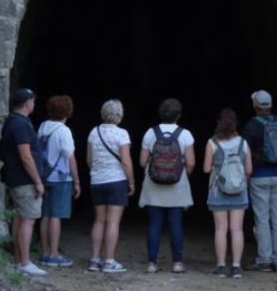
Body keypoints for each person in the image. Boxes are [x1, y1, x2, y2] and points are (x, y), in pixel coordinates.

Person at [138, 98, 196, 274]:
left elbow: (142, 161)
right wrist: (181, 175)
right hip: (177, 184)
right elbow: (191, 163)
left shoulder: (150, 133)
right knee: (175, 223)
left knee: (154, 223)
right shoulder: (185, 134)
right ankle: (177, 263)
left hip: (154, 183)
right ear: (179, 115)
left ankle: (152, 263)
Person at [242, 89, 277, 272]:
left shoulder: (251, 126)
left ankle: (264, 259)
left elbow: (245, 154)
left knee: (262, 219)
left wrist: (247, 176)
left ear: (255, 106)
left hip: (259, 176)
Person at [0, 87, 47, 276]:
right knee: (28, 220)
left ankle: (19, 261)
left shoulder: (11, 122)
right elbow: (26, 156)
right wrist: (38, 181)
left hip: (15, 177)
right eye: (33, 102)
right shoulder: (20, 125)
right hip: (24, 179)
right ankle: (25, 262)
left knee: (20, 218)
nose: (34, 105)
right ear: (28, 104)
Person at [86, 99, 134, 273]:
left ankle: (94, 259)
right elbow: (126, 162)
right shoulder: (122, 134)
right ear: (120, 115)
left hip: (97, 181)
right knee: (113, 222)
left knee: (99, 220)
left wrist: (97, 171)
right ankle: (109, 261)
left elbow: (89, 160)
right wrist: (132, 182)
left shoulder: (94, 132)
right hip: (116, 181)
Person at [203, 108, 252, 279]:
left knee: (220, 230)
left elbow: (206, 168)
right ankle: (237, 267)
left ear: (218, 123)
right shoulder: (243, 143)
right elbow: (249, 169)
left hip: (218, 191)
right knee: (237, 229)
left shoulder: (212, 143)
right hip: (239, 190)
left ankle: (221, 266)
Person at [37, 94, 80, 268]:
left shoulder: (43, 126)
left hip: (43, 176)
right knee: (56, 216)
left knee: (45, 215)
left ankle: (45, 252)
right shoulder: (63, 131)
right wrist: (77, 181)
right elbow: (70, 157)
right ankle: (54, 254)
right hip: (60, 177)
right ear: (67, 112)